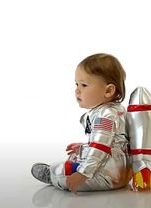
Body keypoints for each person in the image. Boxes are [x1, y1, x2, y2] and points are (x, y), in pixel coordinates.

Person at [31, 53, 132, 193]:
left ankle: (53, 175)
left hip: (107, 175)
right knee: (75, 159)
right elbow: (112, 143)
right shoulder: (115, 111)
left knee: (64, 173)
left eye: (84, 85)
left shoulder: (105, 116)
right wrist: (84, 148)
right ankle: (68, 169)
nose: (77, 90)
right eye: (76, 84)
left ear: (108, 90)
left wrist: (83, 174)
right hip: (120, 172)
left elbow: (101, 148)